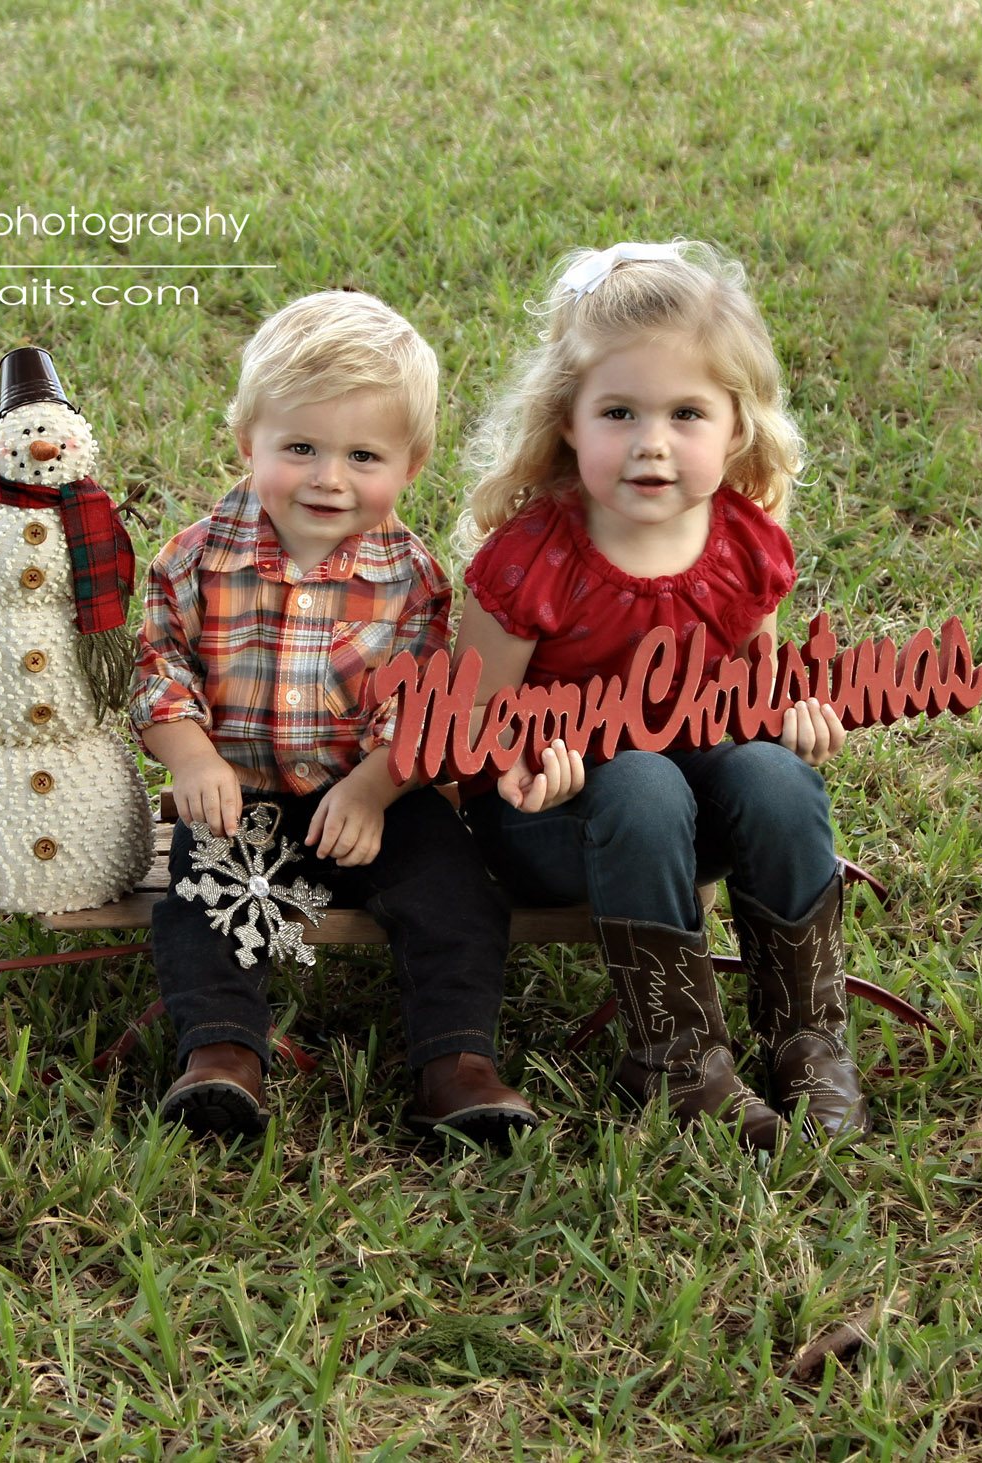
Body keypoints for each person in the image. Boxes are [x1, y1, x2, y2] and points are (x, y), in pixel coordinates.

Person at [453, 241, 861, 1148]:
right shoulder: (532, 560)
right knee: (641, 778)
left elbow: (754, 690)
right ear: (567, 421)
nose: (652, 441)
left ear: (737, 425)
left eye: (686, 413)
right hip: (548, 819)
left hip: (690, 815)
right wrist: (525, 764)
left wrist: (793, 719)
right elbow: (470, 723)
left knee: (773, 776)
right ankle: (675, 1058)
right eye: (619, 412)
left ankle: (808, 1037)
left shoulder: (743, 543)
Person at [131, 289, 538, 1144]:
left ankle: (456, 1064)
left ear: (411, 464)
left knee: (454, 893)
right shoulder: (195, 559)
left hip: (375, 792)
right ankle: (221, 1052)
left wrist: (374, 790)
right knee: (201, 898)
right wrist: (193, 759)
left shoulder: (413, 578)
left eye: (362, 455)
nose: (329, 477)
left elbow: (420, 705)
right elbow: (160, 670)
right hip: (240, 791)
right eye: (301, 447)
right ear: (248, 441)